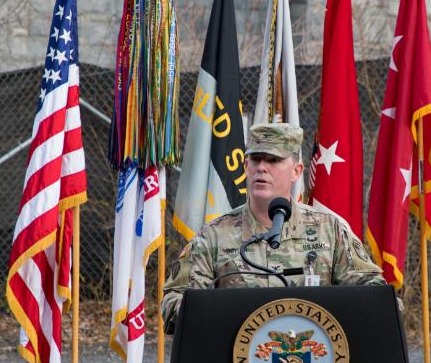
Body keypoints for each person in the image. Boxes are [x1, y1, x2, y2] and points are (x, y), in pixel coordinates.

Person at [162, 122, 385, 333]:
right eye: (256, 159)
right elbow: (174, 304)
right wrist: (221, 313)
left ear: (296, 171)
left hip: (313, 353)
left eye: (273, 160)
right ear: (246, 167)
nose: (262, 168)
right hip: (236, 354)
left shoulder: (329, 230)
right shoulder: (214, 235)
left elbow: (374, 293)